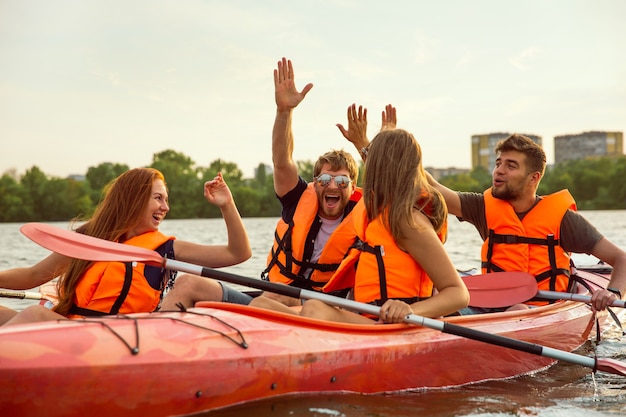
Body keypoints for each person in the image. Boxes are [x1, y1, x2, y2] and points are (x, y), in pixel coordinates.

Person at [0, 167, 251, 326]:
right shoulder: (91, 237)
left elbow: (237, 253)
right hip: (71, 326)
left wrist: (226, 205)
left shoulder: (166, 249)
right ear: (135, 200)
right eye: (158, 198)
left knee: (35, 314)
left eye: (166, 199)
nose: (166, 207)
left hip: (117, 335)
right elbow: (33, 276)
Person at [423, 133, 626, 314]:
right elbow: (432, 187)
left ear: (533, 178)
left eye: (510, 166)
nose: (499, 171)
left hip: (541, 309)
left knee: (518, 309)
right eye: (498, 163)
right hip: (489, 305)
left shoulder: (564, 220)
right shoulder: (482, 207)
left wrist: (613, 292)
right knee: (439, 303)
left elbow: (621, 259)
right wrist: (395, 144)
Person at [298, 128, 469, 324]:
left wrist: (409, 311)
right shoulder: (378, 212)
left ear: (382, 168)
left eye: (372, 161)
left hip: (394, 327)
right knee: (266, 306)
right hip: (371, 318)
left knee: (313, 308)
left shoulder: (408, 222)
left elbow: (458, 293)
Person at [247, 57, 365, 311]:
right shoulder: (297, 198)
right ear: (315, 183)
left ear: (353, 187)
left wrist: (364, 146)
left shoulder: (366, 213)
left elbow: (396, 186)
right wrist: (284, 112)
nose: (332, 185)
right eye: (324, 179)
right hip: (275, 298)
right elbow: (281, 161)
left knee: (269, 302)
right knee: (192, 285)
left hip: (326, 309)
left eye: (342, 180)